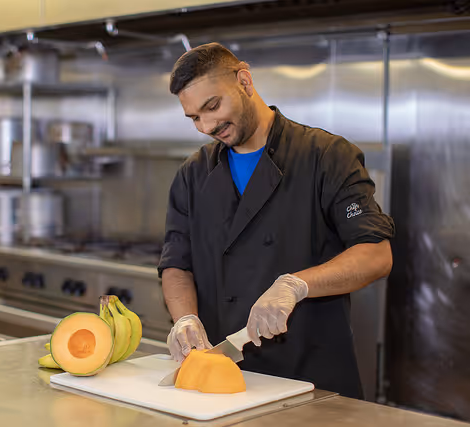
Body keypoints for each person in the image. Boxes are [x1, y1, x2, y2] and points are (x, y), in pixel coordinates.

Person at [158, 42, 395, 398]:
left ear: (244, 81)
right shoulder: (193, 173)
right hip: (220, 382)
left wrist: (295, 285)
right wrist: (185, 319)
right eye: (194, 117)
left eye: (212, 106)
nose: (206, 125)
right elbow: (177, 262)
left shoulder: (326, 156)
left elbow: (376, 255)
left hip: (310, 381)